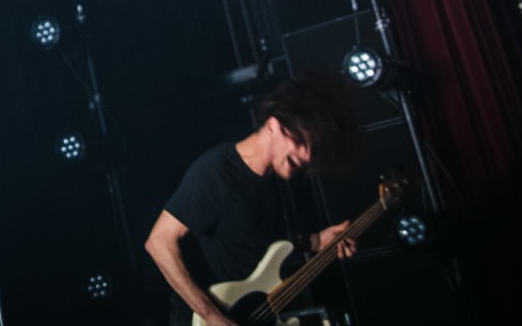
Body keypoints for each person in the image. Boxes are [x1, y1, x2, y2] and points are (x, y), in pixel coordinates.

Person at [145, 71, 362, 326]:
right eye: (301, 140)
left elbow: (259, 246)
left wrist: (317, 240)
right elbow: (159, 242)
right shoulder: (217, 171)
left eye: (312, 149)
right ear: (273, 124)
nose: (306, 156)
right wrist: (212, 316)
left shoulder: (273, 183)